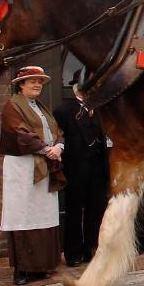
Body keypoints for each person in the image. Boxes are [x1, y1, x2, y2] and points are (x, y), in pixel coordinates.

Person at [0, 66, 66, 286]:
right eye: (32, 81)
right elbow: (20, 133)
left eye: (39, 82)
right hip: (23, 168)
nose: (37, 85)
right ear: (21, 84)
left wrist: (59, 147)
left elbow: (58, 132)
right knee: (23, 213)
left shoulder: (42, 108)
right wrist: (48, 150)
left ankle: (41, 266)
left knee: (42, 213)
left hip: (43, 167)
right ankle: (22, 269)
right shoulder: (12, 107)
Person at [53, 73, 110, 267]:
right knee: (74, 210)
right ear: (76, 87)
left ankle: (92, 248)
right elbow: (59, 138)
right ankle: (73, 253)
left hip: (97, 166)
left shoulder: (99, 109)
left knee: (97, 208)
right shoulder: (63, 110)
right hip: (76, 167)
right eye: (86, 85)